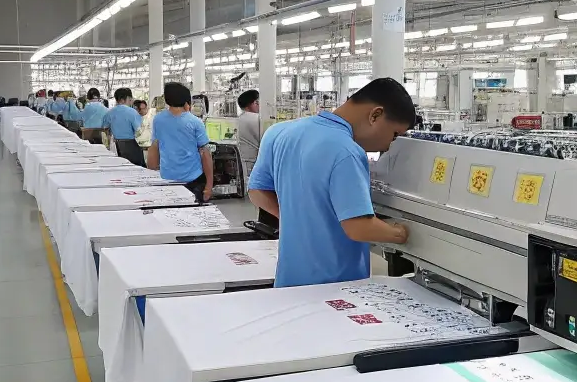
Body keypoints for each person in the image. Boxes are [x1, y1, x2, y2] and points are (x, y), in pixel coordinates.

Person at [248, 77, 412, 288]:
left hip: (289, 281)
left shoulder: (279, 132)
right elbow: (359, 227)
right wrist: (404, 234)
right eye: (394, 134)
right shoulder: (347, 151)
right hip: (335, 288)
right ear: (375, 115)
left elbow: (257, 191)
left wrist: (299, 219)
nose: (390, 145)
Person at [147, 82, 213, 202]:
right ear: (187, 102)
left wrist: (152, 175)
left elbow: (154, 147)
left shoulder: (158, 119)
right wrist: (209, 185)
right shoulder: (195, 122)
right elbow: (205, 153)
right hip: (193, 179)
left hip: (167, 179)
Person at [105, 87, 144, 166]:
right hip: (132, 147)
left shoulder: (109, 112)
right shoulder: (132, 112)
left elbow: (105, 129)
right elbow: (139, 130)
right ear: (127, 98)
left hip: (117, 146)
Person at [235, 89, 262, 177]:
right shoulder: (256, 119)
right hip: (255, 162)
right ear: (254, 103)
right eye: (257, 102)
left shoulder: (239, 119)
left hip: (244, 162)